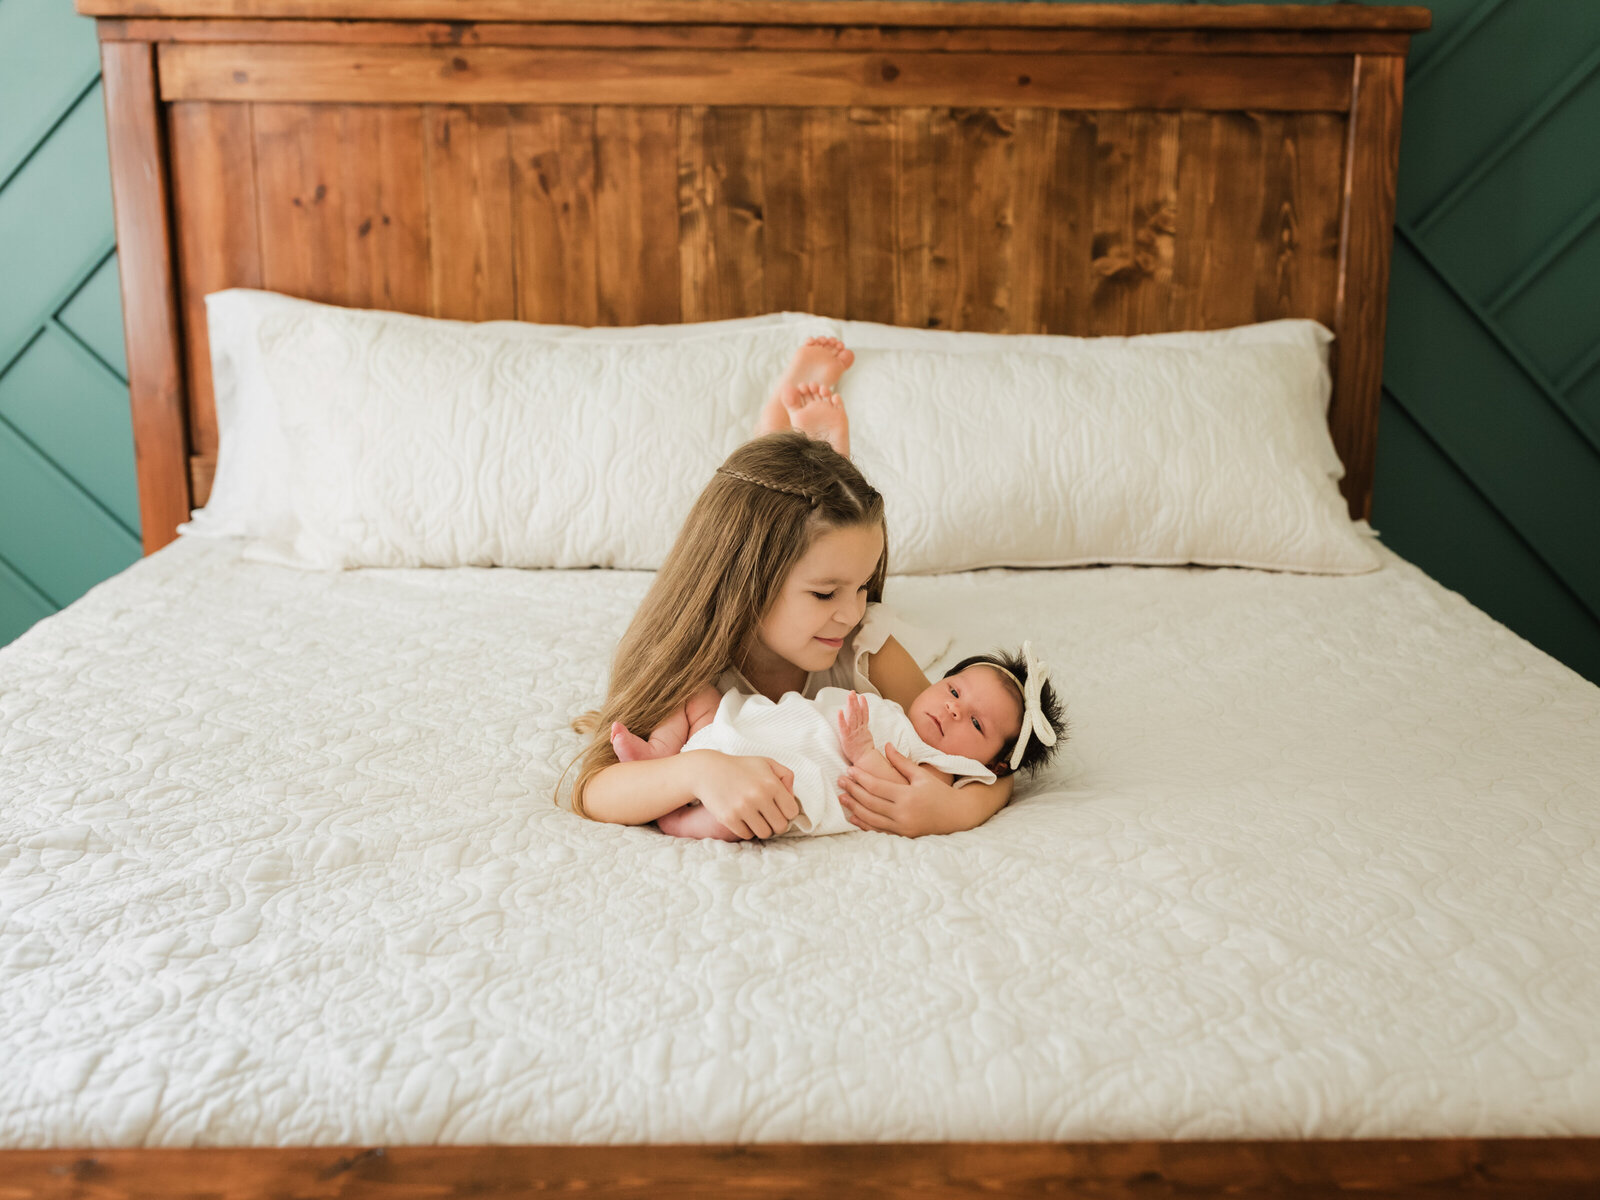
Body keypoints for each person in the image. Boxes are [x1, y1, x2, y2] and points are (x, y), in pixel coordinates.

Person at [571, 339, 1023, 838]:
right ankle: (786, 440)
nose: (854, 613)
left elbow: (983, 759)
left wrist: (957, 810)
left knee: (823, 529)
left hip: (800, 563)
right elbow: (594, 789)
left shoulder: (866, 640)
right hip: (744, 578)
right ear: (746, 583)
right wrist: (698, 770)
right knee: (772, 520)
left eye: (863, 586)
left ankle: (811, 456)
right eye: (826, 594)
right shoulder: (690, 653)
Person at [611, 645, 1065, 841]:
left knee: (743, 821)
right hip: (753, 723)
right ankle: (661, 753)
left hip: (783, 777)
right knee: (695, 691)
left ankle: (682, 822)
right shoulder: (895, 708)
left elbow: (895, 796)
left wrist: (864, 751)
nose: (952, 710)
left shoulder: (939, 767)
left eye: (977, 724)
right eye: (954, 691)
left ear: (994, 766)